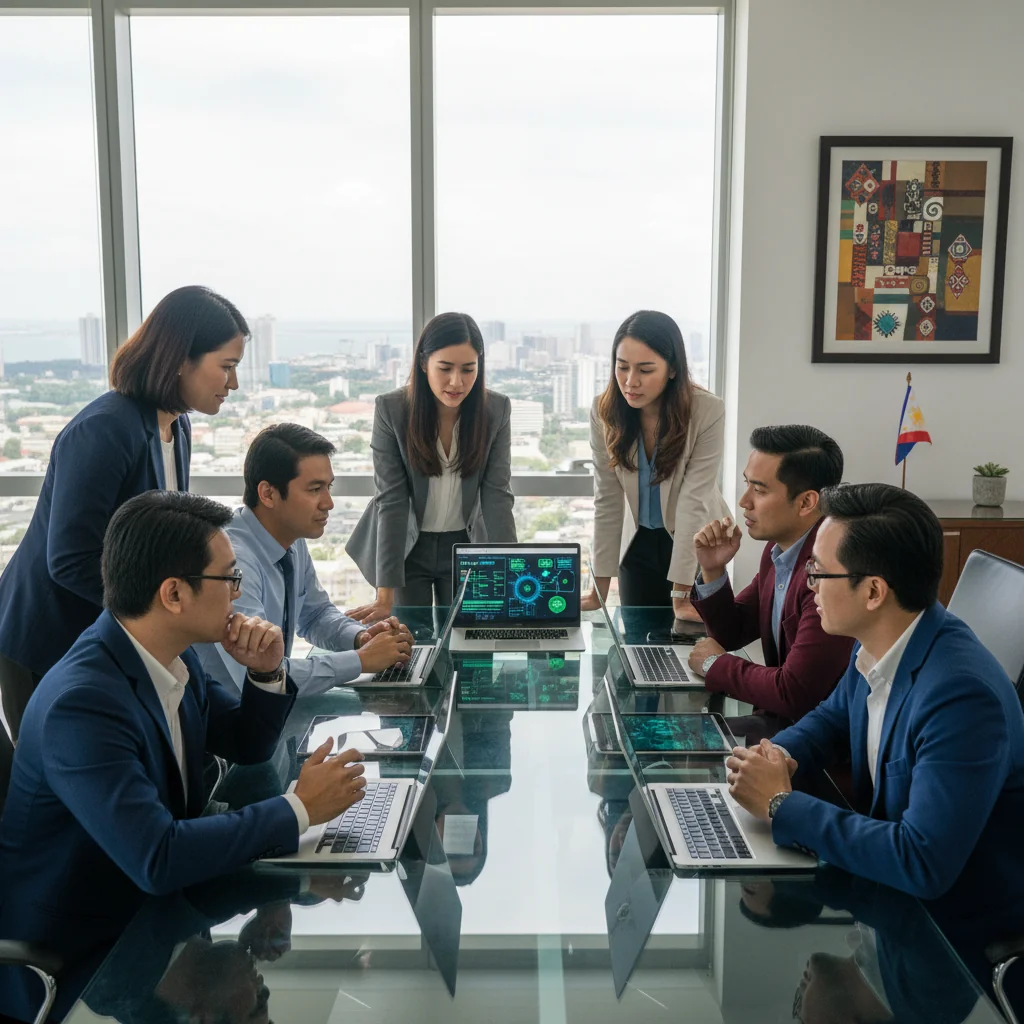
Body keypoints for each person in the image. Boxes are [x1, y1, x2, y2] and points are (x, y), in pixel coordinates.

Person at [0, 491, 369, 1024]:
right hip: (84, 957)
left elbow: (245, 744)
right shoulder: (81, 704)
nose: (239, 598)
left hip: (152, 919)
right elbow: (159, 857)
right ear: (174, 594)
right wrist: (298, 810)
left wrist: (267, 672)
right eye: (230, 580)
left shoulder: (169, 656)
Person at [726, 483, 1024, 1004]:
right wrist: (777, 757)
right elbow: (832, 717)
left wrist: (780, 803)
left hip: (947, 941)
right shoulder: (884, 642)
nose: (809, 586)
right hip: (882, 904)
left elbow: (923, 861)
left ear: (873, 591)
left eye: (819, 571)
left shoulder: (960, 697)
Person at [0, 285, 247, 739]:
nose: (233, 384)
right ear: (179, 359)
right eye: (226, 367)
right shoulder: (104, 430)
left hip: (116, 633)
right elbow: (70, 560)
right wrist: (161, 614)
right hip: (51, 636)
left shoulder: (177, 424)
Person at [195, 423, 414, 696]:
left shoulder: (291, 537)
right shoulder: (232, 563)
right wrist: (361, 660)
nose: (328, 503)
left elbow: (315, 615)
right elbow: (263, 675)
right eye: (314, 490)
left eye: (328, 487)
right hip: (227, 718)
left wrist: (360, 637)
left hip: (269, 710)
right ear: (268, 494)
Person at [345, 312, 516, 621]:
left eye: (468, 369)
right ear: (424, 364)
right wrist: (384, 595)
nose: (457, 381)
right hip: (408, 549)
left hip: (466, 547)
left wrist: (510, 572)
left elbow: (497, 497)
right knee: (411, 647)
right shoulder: (392, 409)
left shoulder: (496, 410)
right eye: (445, 368)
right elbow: (392, 500)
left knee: (471, 646)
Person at [687, 425, 853, 741]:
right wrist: (713, 570)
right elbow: (731, 632)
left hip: (819, 748)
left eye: (759, 490)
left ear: (806, 503)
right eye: (747, 484)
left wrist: (714, 665)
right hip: (781, 727)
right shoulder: (779, 550)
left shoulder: (830, 572)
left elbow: (794, 692)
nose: (743, 501)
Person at [582, 310, 728, 620]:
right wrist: (599, 589)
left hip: (697, 543)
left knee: (689, 642)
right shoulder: (604, 411)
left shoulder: (707, 410)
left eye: (645, 370)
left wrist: (680, 596)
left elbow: (694, 502)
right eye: (622, 367)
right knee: (637, 642)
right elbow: (607, 501)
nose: (630, 382)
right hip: (637, 543)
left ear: (673, 368)